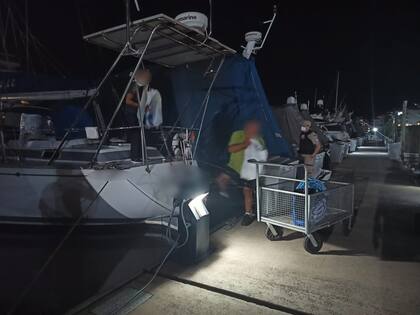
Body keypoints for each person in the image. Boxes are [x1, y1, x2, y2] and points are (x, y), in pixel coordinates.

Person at [216, 120, 267, 226]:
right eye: (251, 127)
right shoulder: (238, 134)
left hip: (251, 171)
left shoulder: (259, 139)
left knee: (250, 191)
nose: (253, 130)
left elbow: (263, 154)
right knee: (222, 181)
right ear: (246, 127)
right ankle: (227, 206)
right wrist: (245, 144)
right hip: (234, 167)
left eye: (255, 128)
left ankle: (251, 213)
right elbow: (231, 149)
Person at [125, 69, 162, 161]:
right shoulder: (135, 85)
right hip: (131, 113)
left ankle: (140, 156)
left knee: (141, 134)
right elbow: (127, 101)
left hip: (137, 113)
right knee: (136, 134)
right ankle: (135, 157)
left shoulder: (142, 87)